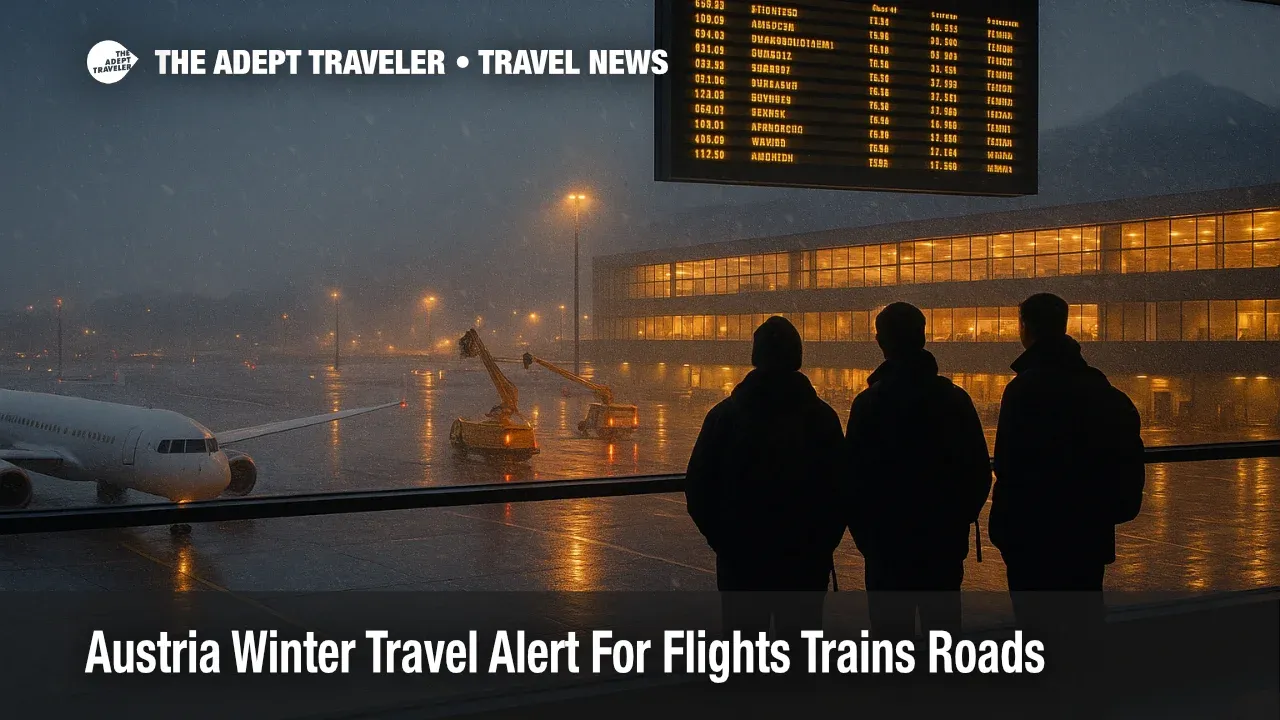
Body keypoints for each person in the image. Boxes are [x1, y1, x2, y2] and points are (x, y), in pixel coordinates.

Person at [989, 293, 1145, 672]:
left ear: (1025, 327)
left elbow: (1008, 465)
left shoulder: (1024, 390)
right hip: (1085, 533)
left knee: (1035, 631)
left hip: (1032, 535)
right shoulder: (1101, 391)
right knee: (1083, 624)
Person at [685, 316, 846, 641]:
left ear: (756, 357)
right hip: (804, 564)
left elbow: (699, 488)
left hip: (743, 564)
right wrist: (821, 543)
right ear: (797, 357)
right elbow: (842, 491)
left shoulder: (724, 417)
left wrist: (726, 542)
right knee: (799, 659)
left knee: (743, 658)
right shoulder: (822, 419)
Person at [844, 302, 992, 640]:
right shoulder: (954, 399)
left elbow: (851, 479)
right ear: (923, 336)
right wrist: (956, 520)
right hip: (941, 543)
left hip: (887, 545)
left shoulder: (869, 405)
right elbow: (977, 471)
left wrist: (868, 537)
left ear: (882, 342)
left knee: (890, 642)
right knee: (943, 638)